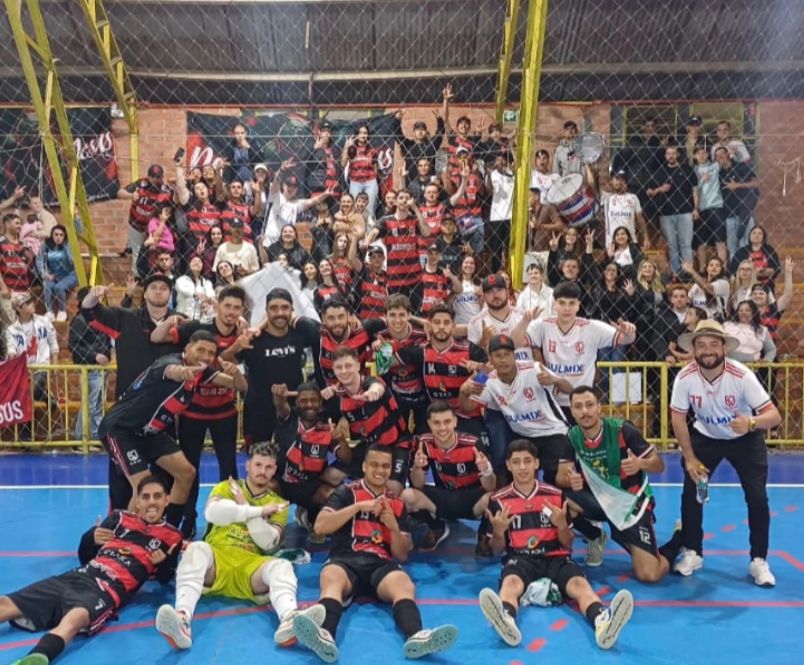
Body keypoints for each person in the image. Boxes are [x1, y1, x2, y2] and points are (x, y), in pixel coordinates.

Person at [290, 445, 459, 663]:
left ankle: (417, 636)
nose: (380, 470)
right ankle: (324, 635)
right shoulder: (345, 492)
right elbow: (321, 527)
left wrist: (393, 528)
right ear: (364, 466)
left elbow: (402, 555)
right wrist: (357, 507)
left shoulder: (396, 503)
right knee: (331, 578)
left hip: (380, 563)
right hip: (345, 559)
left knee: (404, 584)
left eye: (386, 466)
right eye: (375, 465)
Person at [0, 475, 182, 665]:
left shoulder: (172, 536)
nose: (151, 502)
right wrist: (90, 537)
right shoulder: (119, 518)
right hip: (78, 575)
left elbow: (165, 578)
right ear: (137, 502)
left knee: (75, 618)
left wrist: (163, 563)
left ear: (166, 499)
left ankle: (35, 659)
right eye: (145, 497)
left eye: (157, 496)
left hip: (106, 589)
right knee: (6, 603)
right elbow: (85, 556)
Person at [478, 439, 633, 650]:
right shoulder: (498, 500)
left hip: (555, 557)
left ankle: (602, 620)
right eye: (516, 462)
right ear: (508, 465)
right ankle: (505, 619)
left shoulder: (555, 495)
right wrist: (498, 531)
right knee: (511, 583)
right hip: (520, 559)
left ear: (536, 463)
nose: (522, 467)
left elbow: (567, 544)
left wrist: (561, 525)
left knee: (579, 584)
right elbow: (497, 550)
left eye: (527, 461)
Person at [155, 442, 306, 651]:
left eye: (268, 467)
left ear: (274, 470)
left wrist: (243, 506)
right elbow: (212, 514)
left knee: (282, 566)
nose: (262, 471)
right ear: (247, 465)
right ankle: (182, 621)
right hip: (216, 560)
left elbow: (267, 541)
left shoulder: (278, 503)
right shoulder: (227, 487)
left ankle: (290, 621)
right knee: (196, 550)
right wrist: (257, 512)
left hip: (250, 566)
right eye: (258, 465)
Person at [670, 320, 782, 585]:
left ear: (724, 348)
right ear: (694, 350)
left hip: (745, 439)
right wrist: (690, 458)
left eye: (713, 344)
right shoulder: (685, 377)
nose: (707, 350)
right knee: (693, 494)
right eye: (701, 345)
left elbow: (774, 416)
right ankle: (693, 551)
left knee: (757, 497)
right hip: (705, 438)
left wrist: (751, 422)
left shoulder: (741, 375)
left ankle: (759, 560)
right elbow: (678, 418)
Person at [98, 330, 245, 526]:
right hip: (121, 430)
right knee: (144, 486)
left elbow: (239, 386)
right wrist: (181, 372)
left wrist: (236, 373)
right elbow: (171, 371)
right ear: (187, 348)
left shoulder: (201, 372)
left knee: (186, 473)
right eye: (200, 350)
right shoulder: (168, 362)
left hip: (149, 433)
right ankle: (126, 535)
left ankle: (170, 530)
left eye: (211, 353)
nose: (206, 357)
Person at [151, 285, 250, 538]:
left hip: (224, 413)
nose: (231, 312)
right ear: (217, 305)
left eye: (236, 307)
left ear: (242, 310)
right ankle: (188, 518)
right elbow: (157, 338)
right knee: (189, 470)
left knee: (229, 470)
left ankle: (228, 519)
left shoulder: (246, 336)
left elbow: (243, 384)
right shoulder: (197, 329)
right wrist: (172, 320)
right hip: (192, 412)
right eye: (227, 306)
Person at [563, 387, 682, 581]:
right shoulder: (571, 437)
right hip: (599, 500)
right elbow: (561, 475)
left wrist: (640, 464)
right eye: (578, 406)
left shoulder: (622, 430)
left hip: (630, 502)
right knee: (559, 501)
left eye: (589, 405)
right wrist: (569, 479)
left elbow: (659, 465)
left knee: (649, 574)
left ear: (599, 408)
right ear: (572, 411)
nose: (584, 411)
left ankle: (679, 538)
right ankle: (595, 536)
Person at [81, 275, 179, 508]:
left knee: (164, 477)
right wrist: (93, 297)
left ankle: (159, 523)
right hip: (126, 417)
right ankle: (118, 521)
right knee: (121, 479)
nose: (158, 291)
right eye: (153, 287)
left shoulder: (180, 323)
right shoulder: (124, 318)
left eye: (163, 288)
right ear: (144, 293)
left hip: (163, 414)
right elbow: (90, 313)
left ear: (170, 294)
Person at [512, 281, 636, 423]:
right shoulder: (543, 325)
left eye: (571, 303)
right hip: (552, 402)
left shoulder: (591, 327)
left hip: (582, 402)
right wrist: (524, 321)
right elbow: (514, 343)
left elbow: (626, 340)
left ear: (578, 305)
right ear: (554, 304)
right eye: (562, 303)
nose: (567, 308)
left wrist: (629, 332)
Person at [460, 334, 573, 480]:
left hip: (553, 432)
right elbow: (467, 407)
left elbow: (569, 389)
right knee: (511, 473)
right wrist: (463, 392)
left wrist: (555, 380)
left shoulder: (534, 368)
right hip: (523, 436)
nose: (503, 360)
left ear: (514, 355)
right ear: (491, 359)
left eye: (507, 354)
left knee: (558, 479)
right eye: (498, 355)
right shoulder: (487, 379)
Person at [221, 288, 322, 446]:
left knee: (292, 457)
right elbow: (223, 360)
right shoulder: (251, 339)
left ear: (292, 310)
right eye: (274, 308)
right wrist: (235, 348)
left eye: (285, 307)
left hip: (290, 407)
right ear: (266, 311)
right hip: (258, 410)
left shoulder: (300, 334)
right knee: (259, 457)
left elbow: (324, 331)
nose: (279, 312)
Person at [401, 401, 495, 551]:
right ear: (429, 424)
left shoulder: (473, 444)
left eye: (447, 422)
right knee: (407, 496)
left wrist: (486, 470)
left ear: (455, 422)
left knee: (494, 499)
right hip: (443, 498)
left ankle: (484, 534)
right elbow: (418, 484)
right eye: (436, 423)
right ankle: (436, 528)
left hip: (472, 500)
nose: (442, 428)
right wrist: (418, 467)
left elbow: (490, 487)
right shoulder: (424, 443)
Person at [320, 347, 410, 496]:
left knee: (393, 489)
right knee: (330, 475)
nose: (344, 371)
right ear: (333, 370)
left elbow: (377, 387)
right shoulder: (337, 396)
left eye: (348, 365)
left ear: (357, 365)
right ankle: (353, 500)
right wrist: (320, 397)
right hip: (369, 446)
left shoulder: (371, 382)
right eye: (339, 367)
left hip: (395, 444)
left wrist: (372, 393)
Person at [272, 382, 348, 529]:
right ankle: (270, 525)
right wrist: (278, 395)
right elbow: (280, 405)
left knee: (332, 495)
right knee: (264, 485)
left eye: (313, 400)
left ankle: (310, 516)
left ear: (320, 403)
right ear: (296, 403)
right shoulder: (289, 418)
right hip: (282, 484)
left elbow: (346, 458)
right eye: (303, 400)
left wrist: (341, 440)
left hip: (310, 488)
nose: (309, 405)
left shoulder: (327, 427)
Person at [647, 145, 698, 279]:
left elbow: (695, 190)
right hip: (666, 213)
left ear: (678, 155)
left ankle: (688, 273)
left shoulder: (687, 169)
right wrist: (660, 189)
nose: (671, 156)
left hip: (685, 212)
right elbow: (649, 191)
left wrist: (696, 208)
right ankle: (676, 274)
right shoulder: (659, 172)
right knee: (672, 245)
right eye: (668, 153)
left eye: (673, 153)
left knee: (685, 244)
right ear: (665, 156)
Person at [69, 287, 112, 441]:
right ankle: (81, 438)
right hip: (90, 367)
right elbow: (73, 345)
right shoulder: (81, 319)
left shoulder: (98, 317)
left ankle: (93, 436)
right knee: (90, 404)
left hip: (100, 367)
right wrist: (95, 356)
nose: (100, 299)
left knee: (98, 404)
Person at [117, 164, 173, 268]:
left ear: (162, 177)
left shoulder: (166, 191)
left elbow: (172, 206)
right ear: (148, 176)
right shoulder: (140, 184)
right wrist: (131, 195)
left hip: (152, 228)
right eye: (152, 176)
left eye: (158, 177)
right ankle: (137, 275)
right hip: (136, 224)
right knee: (137, 251)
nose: (155, 179)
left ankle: (151, 273)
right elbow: (120, 192)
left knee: (151, 252)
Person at [715, 146, 759, 258]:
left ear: (728, 154)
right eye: (717, 156)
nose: (720, 157)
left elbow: (756, 183)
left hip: (745, 213)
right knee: (732, 248)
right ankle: (735, 269)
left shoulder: (741, 166)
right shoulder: (719, 174)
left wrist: (738, 185)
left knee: (747, 245)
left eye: (722, 154)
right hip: (729, 215)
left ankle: (747, 268)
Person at [0, 212, 36, 325]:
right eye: (17, 223)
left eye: (20, 223)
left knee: (26, 325)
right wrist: (3, 287)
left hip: (24, 292)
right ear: (7, 224)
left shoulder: (24, 245)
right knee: (11, 326)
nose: (20, 226)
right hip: (9, 291)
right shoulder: (1, 243)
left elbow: (28, 267)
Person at [35, 225, 77, 321]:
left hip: (69, 275)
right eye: (56, 234)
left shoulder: (69, 244)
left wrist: (77, 219)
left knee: (59, 287)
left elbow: (78, 231)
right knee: (47, 286)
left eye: (61, 235)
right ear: (52, 235)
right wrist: (45, 274)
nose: (58, 237)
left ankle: (62, 311)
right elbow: (39, 260)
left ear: (64, 236)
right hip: (53, 275)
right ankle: (50, 312)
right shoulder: (46, 245)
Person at [729, 225, 780, 292]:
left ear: (763, 237)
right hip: (746, 287)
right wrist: (753, 272)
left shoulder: (770, 250)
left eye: (760, 233)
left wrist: (769, 271)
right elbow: (733, 270)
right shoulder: (741, 252)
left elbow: (777, 268)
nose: (756, 235)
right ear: (749, 236)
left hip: (767, 287)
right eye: (754, 233)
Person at [342, 124, 380, 214]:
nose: (363, 135)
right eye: (360, 133)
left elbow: (375, 167)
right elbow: (343, 163)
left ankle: (368, 223)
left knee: (369, 209)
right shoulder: (352, 148)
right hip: (355, 181)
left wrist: (374, 179)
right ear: (357, 134)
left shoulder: (372, 149)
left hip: (370, 181)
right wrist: (347, 147)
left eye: (365, 133)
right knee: (355, 208)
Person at [724, 300, 776, 364]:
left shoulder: (762, 330)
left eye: (747, 310)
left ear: (753, 312)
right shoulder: (727, 325)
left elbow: (771, 349)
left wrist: (766, 360)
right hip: (728, 364)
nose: (743, 312)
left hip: (752, 367)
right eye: (741, 310)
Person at [487, 152, 515, 273]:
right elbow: (489, 192)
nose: (500, 163)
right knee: (496, 249)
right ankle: (496, 273)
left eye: (502, 160)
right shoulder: (492, 174)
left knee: (510, 247)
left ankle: (510, 272)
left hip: (510, 216)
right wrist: (488, 175)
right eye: (498, 160)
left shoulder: (512, 174)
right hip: (496, 217)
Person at [683, 257, 729, 322]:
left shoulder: (724, 283)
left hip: (714, 321)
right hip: (697, 321)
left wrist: (692, 272)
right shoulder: (697, 285)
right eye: (711, 265)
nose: (714, 267)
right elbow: (688, 300)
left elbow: (707, 288)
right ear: (706, 268)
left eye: (717, 265)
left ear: (721, 269)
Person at [174, 255, 216, 323]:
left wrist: (209, 298)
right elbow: (184, 291)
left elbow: (211, 296)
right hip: (182, 317)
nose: (196, 263)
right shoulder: (182, 279)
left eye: (199, 262)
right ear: (189, 265)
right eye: (194, 261)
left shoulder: (206, 282)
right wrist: (198, 295)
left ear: (203, 266)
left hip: (200, 320)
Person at [307, 120, 342, 199]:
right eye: (324, 131)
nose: (326, 134)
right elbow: (303, 162)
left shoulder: (335, 149)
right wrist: (315, 148)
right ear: (319, 132)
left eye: (328, 131)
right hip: (318, 189)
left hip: (334, 189)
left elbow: (340, 169)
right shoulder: (311, 146)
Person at [453, 255, 483, 325]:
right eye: (466, 262)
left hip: (476, 323)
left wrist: (480, 295)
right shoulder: (455, 281)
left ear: (475, 266)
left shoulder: (480, 282)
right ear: (461, 265)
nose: (469, 265)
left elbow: (483, 304)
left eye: (472, 263)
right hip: (460, 324)